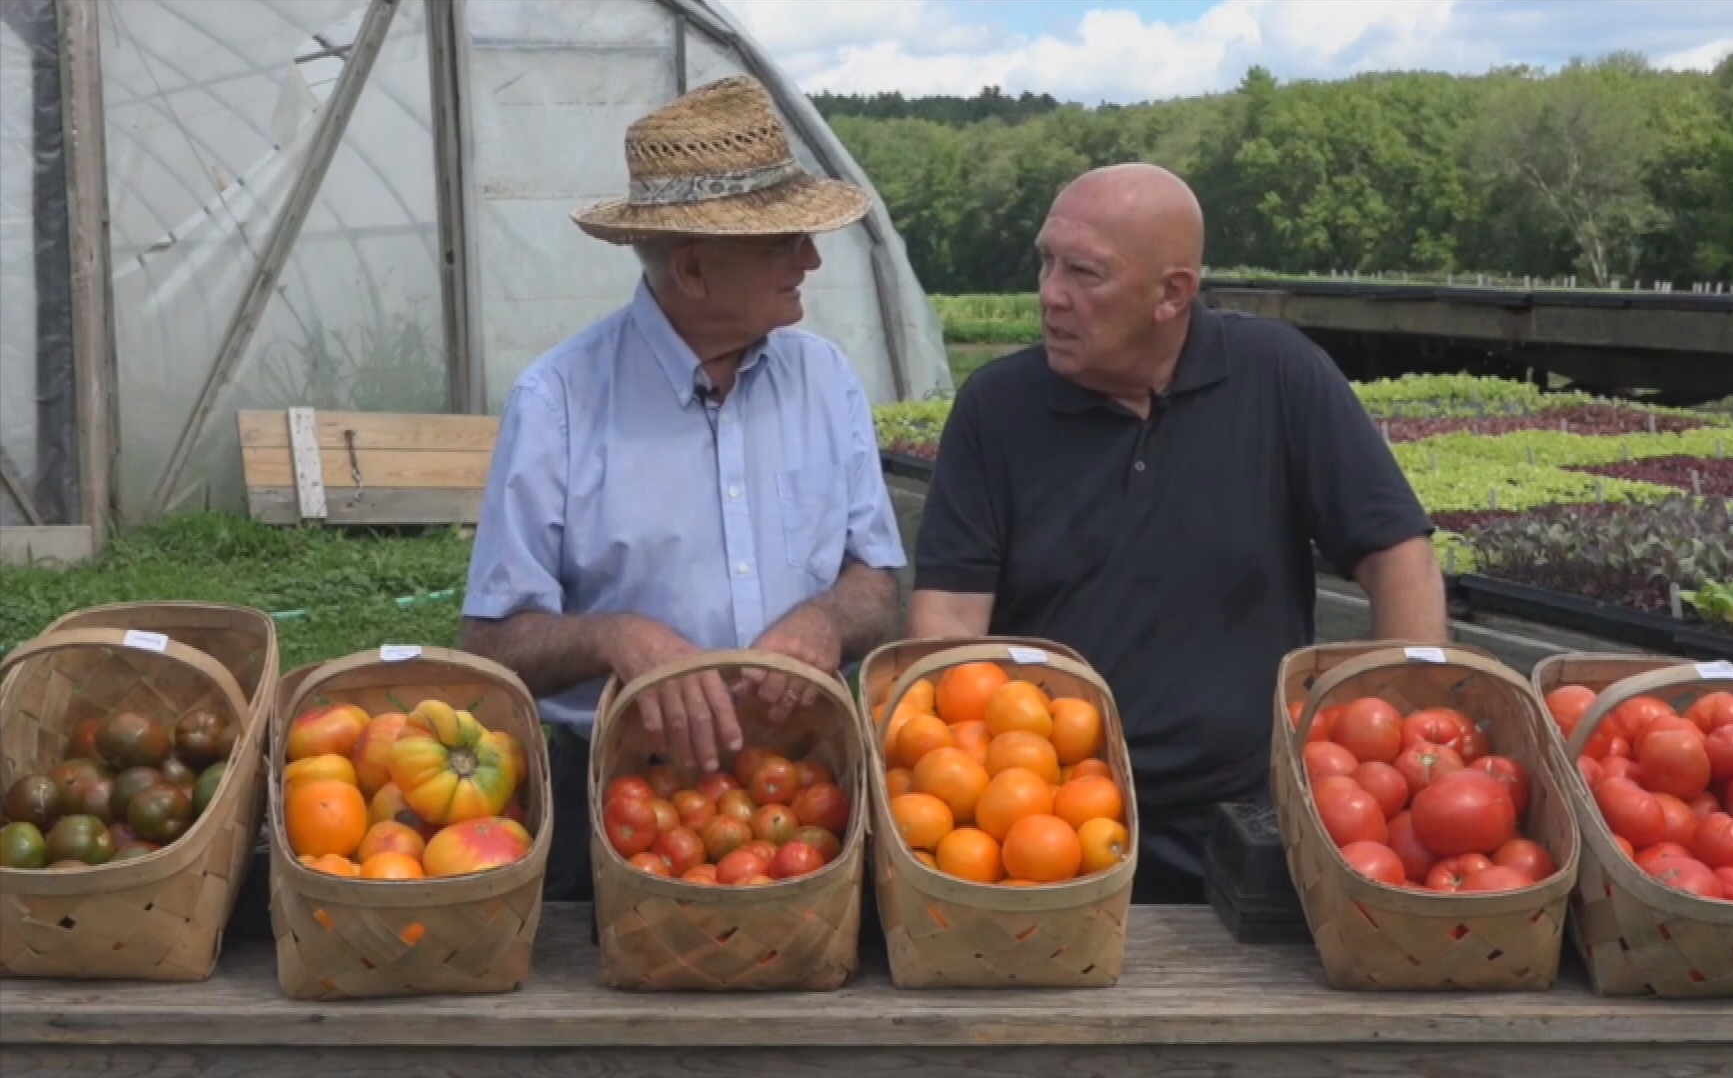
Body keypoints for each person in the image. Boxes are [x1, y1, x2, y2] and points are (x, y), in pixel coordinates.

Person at [907, 163, 1447, 905]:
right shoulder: (998, 408)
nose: (1049, 294)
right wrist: (961, 781)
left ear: (1173, 294)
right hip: (1050, 825)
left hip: (1255, 817)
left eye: (1084, 273)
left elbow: (1399, 558)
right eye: (1047, 260)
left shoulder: (1277, 375)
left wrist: (1394, 735)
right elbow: (948, 618)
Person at [459, 76, 907, 901]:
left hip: (806, 803)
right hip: (624, 807)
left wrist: (824, 619)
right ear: (695, 270)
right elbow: (490, 649)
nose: (810, 259)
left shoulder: (826, 379)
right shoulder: (558, 401)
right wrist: (615, 639)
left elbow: (876, 586)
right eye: (784, 243)